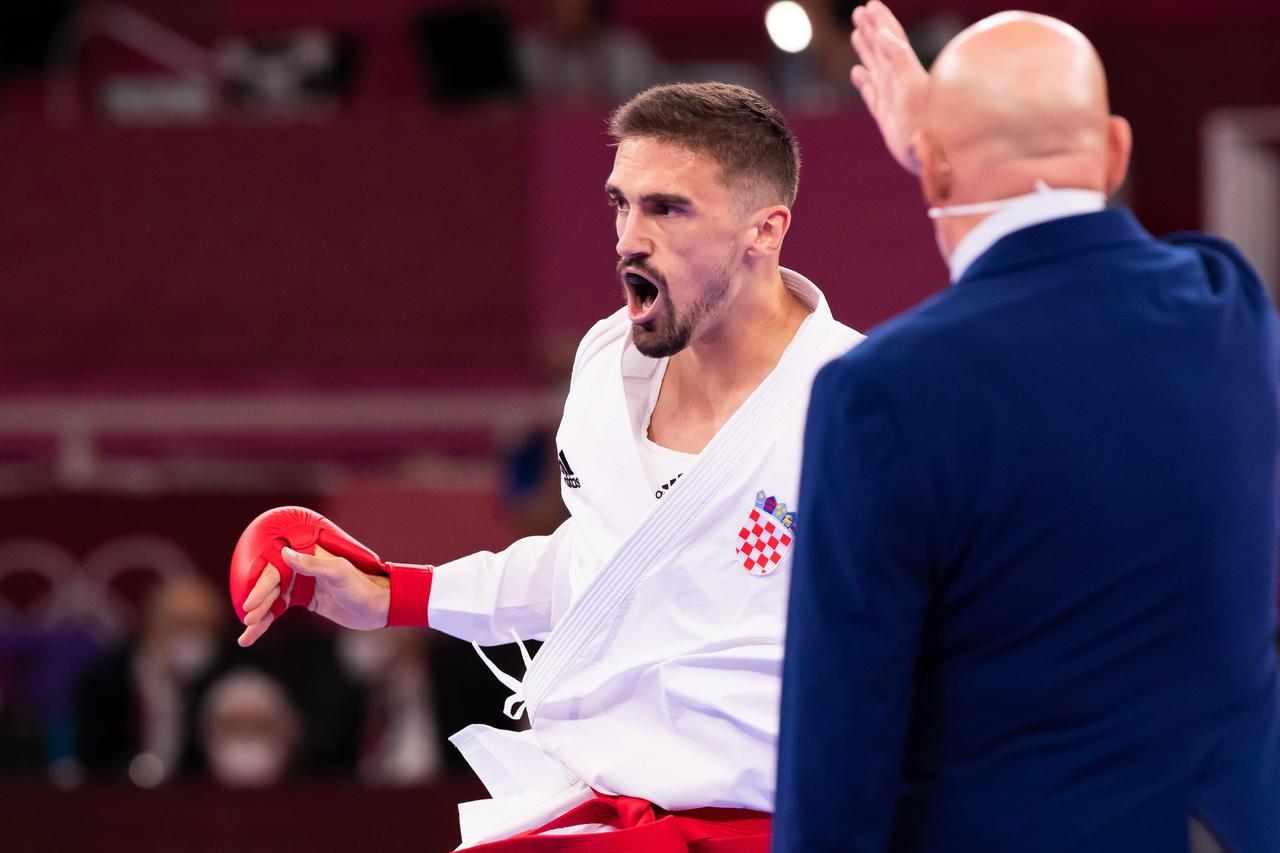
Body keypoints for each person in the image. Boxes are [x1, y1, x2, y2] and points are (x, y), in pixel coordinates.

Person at [231, 82, 863, 849]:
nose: (630, 236)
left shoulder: (860, 404)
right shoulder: (606, 366)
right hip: (608, 802)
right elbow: (600, 565)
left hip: (788, 822)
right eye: (619, 204)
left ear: (765, 230)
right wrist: (391, 594)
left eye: (667, 208)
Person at [774, 4, 1280, 852]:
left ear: (931, 171)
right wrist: (952, 155)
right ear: (1116, 152)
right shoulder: (1230, 305)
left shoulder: (880, 393)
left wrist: (943, 155)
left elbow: (841, 740)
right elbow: (1110, 286)